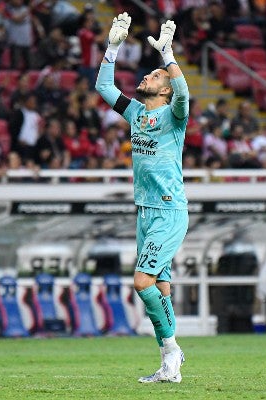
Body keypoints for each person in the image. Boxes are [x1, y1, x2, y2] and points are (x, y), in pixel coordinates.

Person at [96, 13, 188, 383]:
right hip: (145, 213)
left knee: (141, 283)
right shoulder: (136, 113)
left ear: (164, 90)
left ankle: (172, 349)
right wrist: (113, 46)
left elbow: (184, 93)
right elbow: (104, 88)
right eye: (148, 74)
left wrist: (168, 55)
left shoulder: (174, 115)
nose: (146, 77)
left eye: (154, 76)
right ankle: (169, 364)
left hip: (168, 211)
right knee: (161, 287)